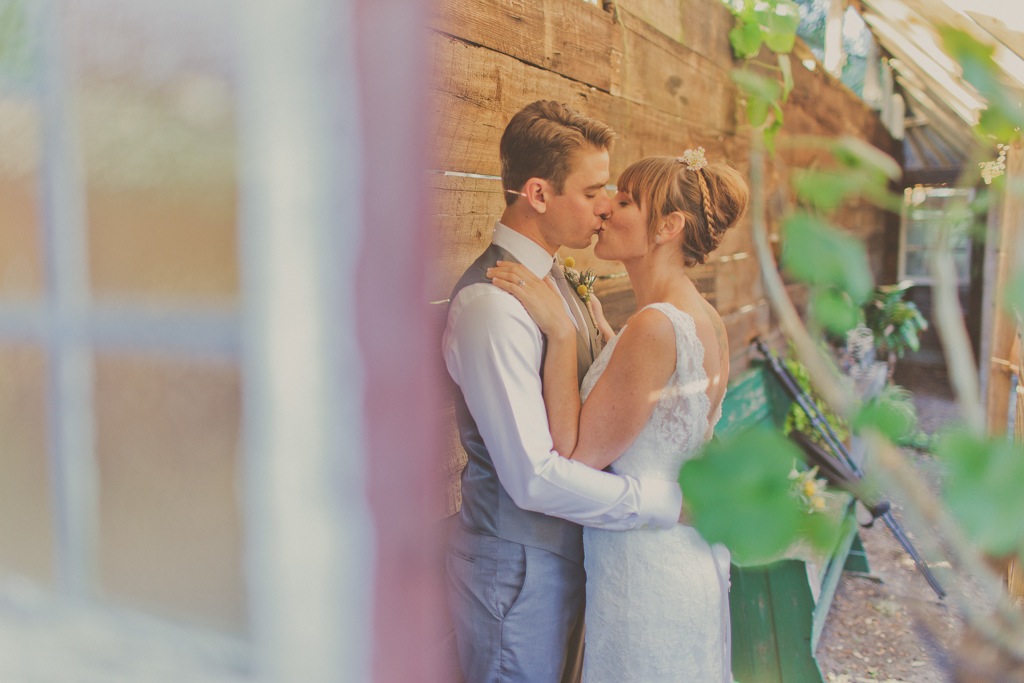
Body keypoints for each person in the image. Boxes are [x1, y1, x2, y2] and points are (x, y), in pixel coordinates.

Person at [442, 101, 685, 683]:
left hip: (564, 557)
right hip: (516, 573)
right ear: (538, 194)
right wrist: (658, 505)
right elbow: (532, 477)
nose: (607, 205)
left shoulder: (556, 283)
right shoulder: (492, 306)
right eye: (594, 189)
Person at [488, 150, 750, 682]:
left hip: (644, 574)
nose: (606, 209)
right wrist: (609, 341)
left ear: (668, 227)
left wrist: (562, 334)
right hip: (681, 555)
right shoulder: (704, 320)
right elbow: (657, 421)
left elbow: (576, 455)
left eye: (626, 200)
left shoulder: (654, 327)